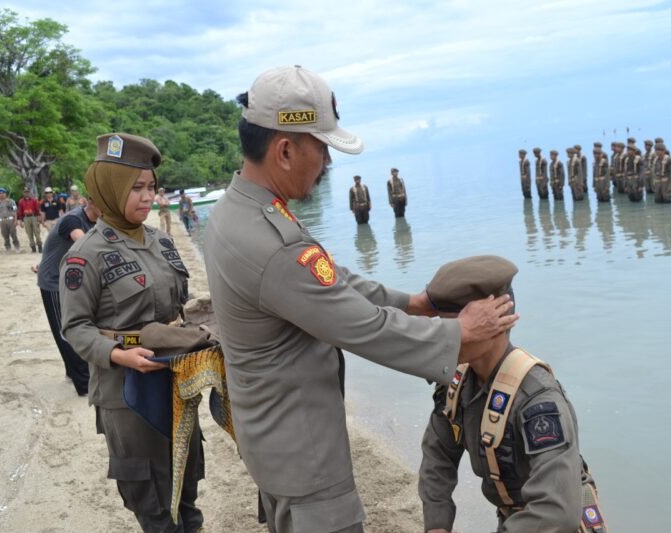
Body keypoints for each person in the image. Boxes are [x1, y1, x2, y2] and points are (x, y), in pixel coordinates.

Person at [203, 65, 518, 533]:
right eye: (323, 149)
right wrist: (462, 333)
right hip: (305, 455)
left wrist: (414, 302)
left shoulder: (238, 210)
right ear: (285, 150)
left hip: (269, 436)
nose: (328, 163)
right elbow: (366, 329)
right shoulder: (273, 242)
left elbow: (329, 280)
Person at [60, 133, 204, 533]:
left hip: (174, 377)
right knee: (154, 500)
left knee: (186, 484)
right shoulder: (84, 255)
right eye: (136, 188)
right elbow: (75, 327)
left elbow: (178, 307)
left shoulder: (161, 241)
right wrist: (118, 355)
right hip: (126, 389)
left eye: (151, 187)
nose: (146, 196)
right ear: (109, 190)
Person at [418, 256, 605, 533]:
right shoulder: (456, 384)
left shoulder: (537, 400)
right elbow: (438, 456)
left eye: (455, 328)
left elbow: (556, 511)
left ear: (494, 321)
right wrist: (437, 524)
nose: (442, 339)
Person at [38, 200, 100, 396]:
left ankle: (72, 372)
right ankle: (84, 384)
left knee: (77, 326)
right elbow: (86, 245)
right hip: (54, 283)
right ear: (91, 202)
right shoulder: (72, 220)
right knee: (66, 332)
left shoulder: (96, 221)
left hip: (71, 280)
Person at [0, 187, 21, 252]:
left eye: (3, 193)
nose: (1, 195)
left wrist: (15, 220)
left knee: (13, 233)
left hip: (10, 220)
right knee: (5, 234)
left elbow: (15, 211)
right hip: (2, 220)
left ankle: (17, 246)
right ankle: (8, 247)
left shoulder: (11, 201)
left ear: (5, 194)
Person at [18, 187, 42, 253]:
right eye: (25, 192)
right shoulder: (21, 201)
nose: (26, 193)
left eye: (27, 192)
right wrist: (20, 221)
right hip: (26, 217)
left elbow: (37, 210)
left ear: (29, 193)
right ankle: (33, 247)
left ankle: (40, 246)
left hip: (33, 216)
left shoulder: (34, 200)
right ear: (23, 193)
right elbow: (20, 211)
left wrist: (39, 219)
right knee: (29, 233)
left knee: (37, 232)